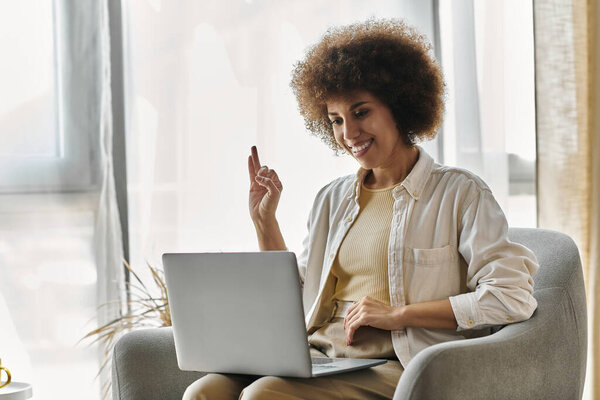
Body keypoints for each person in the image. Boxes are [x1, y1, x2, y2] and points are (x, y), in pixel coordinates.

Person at [183, 18, 538, 400]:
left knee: (263, 396)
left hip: (396, 366)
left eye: (361, 112)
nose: (348, 133)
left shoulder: (459, 193)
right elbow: (300, 299)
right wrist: (264, 223)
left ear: (399, 106)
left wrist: (399, 313)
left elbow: (511, 295)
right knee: (204, 392)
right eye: (336, 120)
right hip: (320, 356)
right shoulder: (332, 198)